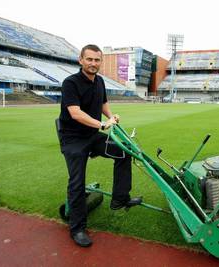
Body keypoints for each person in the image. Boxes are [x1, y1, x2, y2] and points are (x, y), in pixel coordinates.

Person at [58, 44, 142, 247]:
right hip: (73, 140)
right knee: (77, 183)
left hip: (92, 136)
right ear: (81, 60)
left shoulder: (100, 81)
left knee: (124, 152)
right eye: (89, 59)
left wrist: (110, 116)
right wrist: (103, 124)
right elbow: (75, 113)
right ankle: (77, 228)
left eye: (97, 60)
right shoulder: (70, 83)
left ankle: (119, 199)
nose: (93, 63)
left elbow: (103, 103)